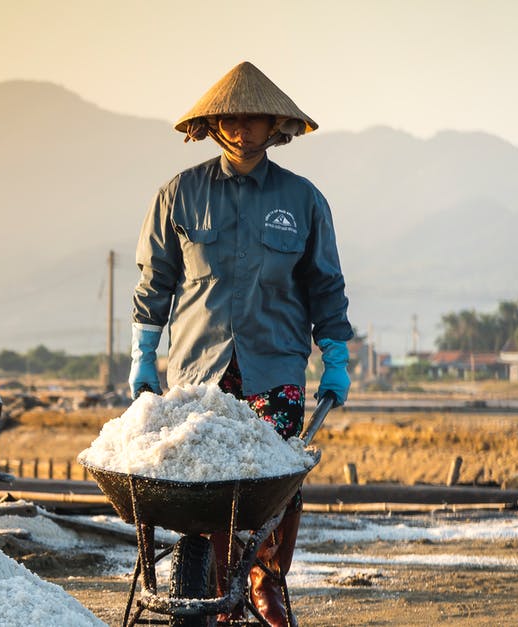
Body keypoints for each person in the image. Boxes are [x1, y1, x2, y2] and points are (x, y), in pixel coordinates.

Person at [128, 62, 352, 626]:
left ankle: (265, 579)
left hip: (274, 364)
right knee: (204, 482)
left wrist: (336, 357)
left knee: (273, 483)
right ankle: (211, 579)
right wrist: (143, 355)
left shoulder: (301, 200)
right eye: (230, 118)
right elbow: (155, 281)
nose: (240, 129)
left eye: (252, 119)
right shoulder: (180, 193)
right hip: (198, 371)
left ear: (274, 125)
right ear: (214, 124)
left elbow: (325, 285)